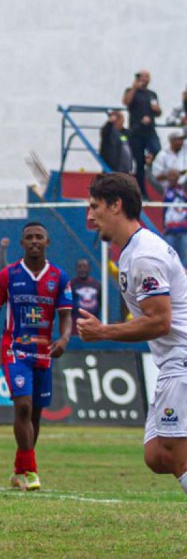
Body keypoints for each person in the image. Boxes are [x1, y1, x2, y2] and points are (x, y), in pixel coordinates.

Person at [78, 172, 187, 497]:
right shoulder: (135, 251)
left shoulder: (143, 256)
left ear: (116, 205)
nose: (89, 215)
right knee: (156, 454)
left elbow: (159, 322)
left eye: (94, 206)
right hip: (172, 362)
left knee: (173, 453)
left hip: (180, 361)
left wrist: (103, 331)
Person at [0, 222, 72, 491]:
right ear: (21, 243)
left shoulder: (59, 277)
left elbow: (66, 316)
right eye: (29, 238)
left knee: (35, 414)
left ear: (47, 242)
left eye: (39, 237)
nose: (34, 241)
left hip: (43, 353)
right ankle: (32, 472)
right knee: (23, 406)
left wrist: (64, 338)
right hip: (15, 350)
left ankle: (18, 470)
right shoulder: (8, 275)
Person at [123, 69, 162, 197]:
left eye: (147, 76)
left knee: (156, 148)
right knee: (139, 164)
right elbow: (126, 102)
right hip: (136, 131)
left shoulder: (152, 94)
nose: (144, 79)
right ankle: (142, 192)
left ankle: (148, 160)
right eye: (142, 76)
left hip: (150, 130)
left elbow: (158, 112)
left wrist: (157, 110)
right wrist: (134, 88)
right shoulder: (131, 91)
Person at [152, 128, 187, 265]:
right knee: (169, 260)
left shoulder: (185, 151)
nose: (181, 142)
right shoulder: (163, 155)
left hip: (184, 229)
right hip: (170, 228)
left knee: (184, 261)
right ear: (172, 141)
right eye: (178, 139)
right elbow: (155, 176)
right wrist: (170, 175)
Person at [69, 258, 101, 336]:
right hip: (76, 323)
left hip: (92, 322)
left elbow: (100, 302)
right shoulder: (71, 284)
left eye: (85, 267)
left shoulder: (96, 284)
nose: (82, 269)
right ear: (76, 269)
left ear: (89, 269)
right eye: (80, 267)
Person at [99, 109, 134, 174]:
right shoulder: (109, 133)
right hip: (113, 168)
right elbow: (105, 132)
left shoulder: (125, 133)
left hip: (125, 169)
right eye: (120, 118)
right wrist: (110, 122)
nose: (122, 120)